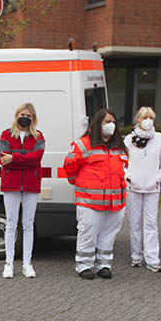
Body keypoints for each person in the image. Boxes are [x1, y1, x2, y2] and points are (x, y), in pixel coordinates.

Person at [64, 108, 128, 279]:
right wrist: (80, 183)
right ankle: (84, 265)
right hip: (90, 202)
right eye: (107, 121)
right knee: (88, 233)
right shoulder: (83, 144)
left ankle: (104, 264)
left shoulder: (119, 147)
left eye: (113, 122)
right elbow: (69, 168)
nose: (111, 125)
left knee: (108, 235)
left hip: (115, 202)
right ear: (98, 123)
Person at [0, 102, 45, 278]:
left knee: (28, 224)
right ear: (16, 115)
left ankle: (27, 263)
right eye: (22, 114)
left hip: (31, 185)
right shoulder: (6, 135)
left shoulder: (39, 137)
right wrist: (22, 159)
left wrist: (15, 158)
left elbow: (36, 159)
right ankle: (8, 263)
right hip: (11, 184)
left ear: (33, 118)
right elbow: (2, 159)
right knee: (10, 224)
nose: (25, 118)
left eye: (29, 116)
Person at [123, 106, 161, 271]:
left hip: (152, 188)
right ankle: (136, 256)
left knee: (151, 223)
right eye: (145, 117)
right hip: (133, 187)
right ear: (138, 120)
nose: (148, 120)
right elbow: (122, 162)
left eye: (151, 117)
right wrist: (129, 177)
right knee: (134, 222)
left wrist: (157, 179)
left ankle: (152, 258)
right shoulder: (129, 140)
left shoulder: (160, 139)